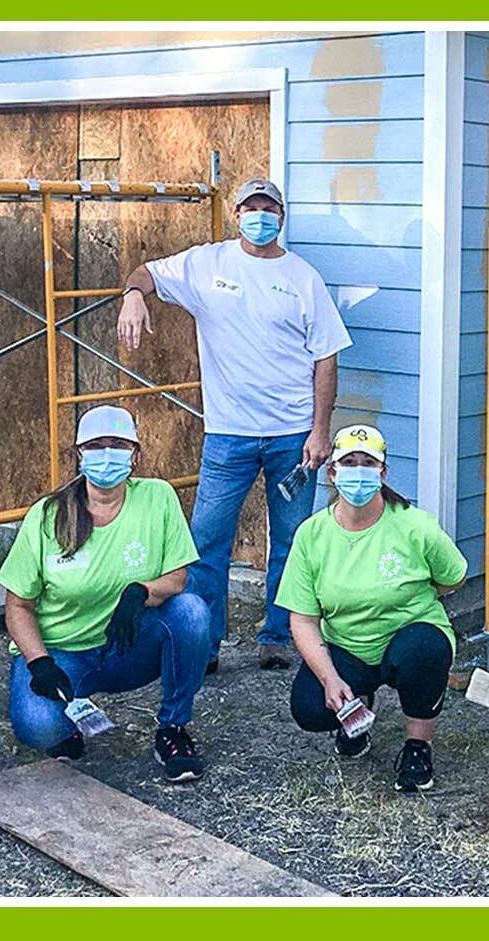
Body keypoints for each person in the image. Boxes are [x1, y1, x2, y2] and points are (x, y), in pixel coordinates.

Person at [117, 178, 351, 670]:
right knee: (207, 541)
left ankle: (279, 637)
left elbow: (326, 358)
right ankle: (205, 642)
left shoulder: (303, 277)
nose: (260, 216)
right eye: (251, 208)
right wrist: (133, 295)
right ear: (237, 214)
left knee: (291, 542)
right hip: (228, 435)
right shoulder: (207, 264)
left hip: (293, 435)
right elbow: (145, 273)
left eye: (269, 208)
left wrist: (319, 430)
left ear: (281, 217)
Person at [0, 406, 211, 782]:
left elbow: (178, 578)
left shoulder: (158, 497)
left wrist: (141, 592)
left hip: (126, 646)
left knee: (191, 612)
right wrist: (39, 662)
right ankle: (68, 721)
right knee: (38, 728)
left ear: (135, 453)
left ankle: (173, 728)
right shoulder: (48, 515)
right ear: (79, 454)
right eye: (96, 445)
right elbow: (18, 605)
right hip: (63, 653)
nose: (107, 454)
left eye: (118, 444)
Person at [279, 424, 468, 792]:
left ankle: (418, 745)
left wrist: (413, 597)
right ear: (332, 472)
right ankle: (357, 705)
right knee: (309, 708)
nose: (359, 471)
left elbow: (454, 577)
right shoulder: (311, 535)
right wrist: (330, 679)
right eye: (349, 462)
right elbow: (302, 619)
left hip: (409, 636)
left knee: (424, 651)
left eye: (368, 463)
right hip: (348, 644)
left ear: (383, 473)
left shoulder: (415, 525)